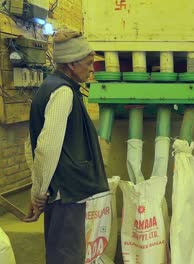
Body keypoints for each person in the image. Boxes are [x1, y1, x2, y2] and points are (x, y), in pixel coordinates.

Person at [24, 29, 109, 264]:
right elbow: (45, 147)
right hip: (65, 193)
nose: (92, 69)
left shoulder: (49, 86)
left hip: (60, 191)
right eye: (88, 63)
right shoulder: (62, 92)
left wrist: (38, 188)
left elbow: (30, 141)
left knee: (59, 254)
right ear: (71, 64)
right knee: (66, 257)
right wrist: (38, 192)